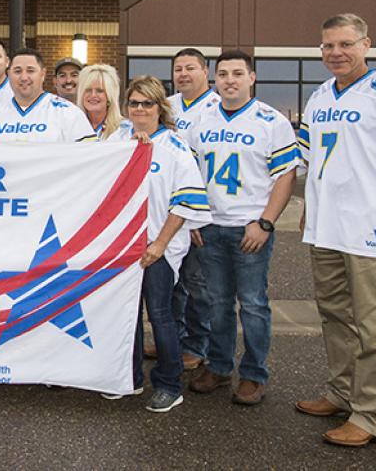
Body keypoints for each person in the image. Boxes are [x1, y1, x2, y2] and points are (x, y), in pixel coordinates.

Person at [295, 14, 376, 447]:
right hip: (327, 226)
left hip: (368, 226)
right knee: (334, 315)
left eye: (345, 44)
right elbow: (312, 163)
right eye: (328, 46)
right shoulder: (320, 96)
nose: (336, 53)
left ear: (367, 43)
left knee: (373, 322)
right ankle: (342, 391)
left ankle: (372, 416)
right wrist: (313, 207)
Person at [187, 50, 298, 406]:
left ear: (252, 78)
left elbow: (285, 176)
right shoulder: (201, 120)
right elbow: (188, 174)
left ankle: (253, 374)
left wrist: (265, 222)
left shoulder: (270, 121)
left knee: (252, 304)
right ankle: (219, 367)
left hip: (249, 229)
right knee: (217, 303)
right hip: (211, 227)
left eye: (237, 73)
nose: (229, 80)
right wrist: (193, 217)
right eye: (223, 74)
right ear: (214, 79)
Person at [104, 75, 212, 413]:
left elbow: (184, 204)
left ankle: (169, 383)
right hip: (122, 248)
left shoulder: (175, 147)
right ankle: (130, 377)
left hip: (157, 248)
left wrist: (160, 244)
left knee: (161, 315)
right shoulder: (116, 140)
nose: (139, 109)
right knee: (126, 316)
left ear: (159, 107)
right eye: (133, 103)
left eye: (146, 103)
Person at [166, 48, 221, 371]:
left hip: (198, 212)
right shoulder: (168, 106)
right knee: (172, 283)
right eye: (178, 69)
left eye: (190, 68)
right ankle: (172, 339)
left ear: (205, 70)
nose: (183, 74)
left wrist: (196, 214)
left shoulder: (216, 108)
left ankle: (198, 346)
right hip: (167, 209)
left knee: (198, 284)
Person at [0, 49, 92, 142]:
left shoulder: (68, 113)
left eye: (30, 71)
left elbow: (90, 156)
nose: (24, 77)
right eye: (17, 71)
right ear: (9, 74)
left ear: (43, 74)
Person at [76, 64, 123, 140]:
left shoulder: (124, 130)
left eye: (99, 91)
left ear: (109, 96)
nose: (93, 95)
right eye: (88, 90)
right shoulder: (70, 126)